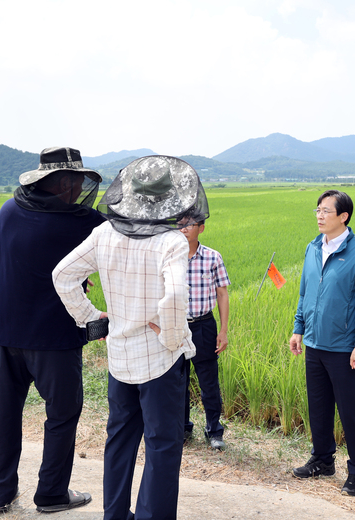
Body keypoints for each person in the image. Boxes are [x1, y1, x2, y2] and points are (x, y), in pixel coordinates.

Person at [52, 155, 209, 520]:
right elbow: (174, 298)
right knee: (162, 446)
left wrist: (93, 320)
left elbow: (63, 276)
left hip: (119, 357)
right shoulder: (171, 242)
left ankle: (115, 515)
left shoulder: (103, 233)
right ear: (169, 199)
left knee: (119, 442)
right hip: (159, 361)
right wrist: (172, 338)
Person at [0, 146, 103, 514]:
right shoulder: (82, 221)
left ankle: (1, 494)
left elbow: (28, 260)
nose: (79, 189)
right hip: (54, 337)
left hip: (6, 333)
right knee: (62, 415)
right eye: (76, 182)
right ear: (65, 182)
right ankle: (51, 494)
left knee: (4, 415)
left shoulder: (8, 210)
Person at [288, 189, 355, 497]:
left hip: (344, 348)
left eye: (326, 211)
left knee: (350, 411)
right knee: (319, 407)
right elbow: (305, 292)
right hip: (314, 343)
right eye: (317, 210)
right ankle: (322, 460)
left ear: (344, 216)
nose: (319, 215)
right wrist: (298, 328)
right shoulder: (313, 248)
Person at [180, 219, 230, 450]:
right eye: (179, 224)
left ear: (201, 228)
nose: (184, 228)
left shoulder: (212, 257)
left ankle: (214, 431)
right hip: (176, 326)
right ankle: (181, 428)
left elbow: (222, 294)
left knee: (209, 382)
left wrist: (223, 330)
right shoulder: (169, 256)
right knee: (176, 380)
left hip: (203, 326)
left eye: (189, 224)